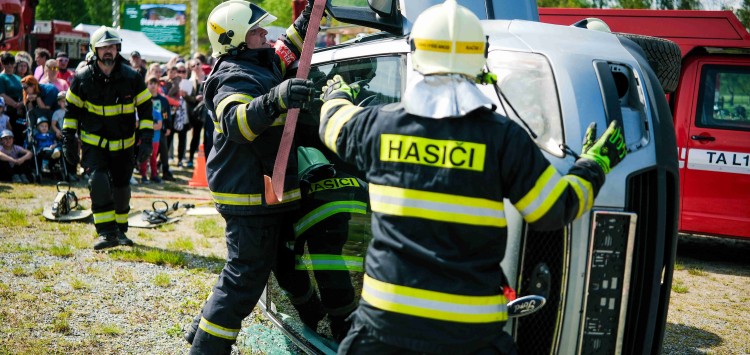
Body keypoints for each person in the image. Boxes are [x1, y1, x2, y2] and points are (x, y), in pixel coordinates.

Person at [317, 1, 628, 353]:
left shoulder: (376, 126)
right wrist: (595, 164)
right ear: (481, 59)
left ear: (416, 53)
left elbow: (332, 123)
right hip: (470, 333)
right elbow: (553, 210)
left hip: (385, 327)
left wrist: (338, 93)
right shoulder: (502, 138)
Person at [184, 1, 318, 353]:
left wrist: (313, 11)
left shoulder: (262, 61)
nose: (267, 35)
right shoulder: (233, 74)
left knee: (268, 266)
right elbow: (237, 124)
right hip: (248, 196)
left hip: (265, 193)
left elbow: (290, 45)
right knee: (244, 279)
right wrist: (276, 99)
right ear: (237, 38)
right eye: (258, 31)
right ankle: (206, 349)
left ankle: (315, 318)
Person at [62, 26, 153, 250]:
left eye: (112, 47)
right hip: (95, 145)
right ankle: (105, 233)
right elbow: (71, 111)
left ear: (118, 48)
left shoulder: (132, 77)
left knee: (122, 189)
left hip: (124, 145)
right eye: (103, 48)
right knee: (99, 182)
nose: (108, 52)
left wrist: (147, 139)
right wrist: (68, 139)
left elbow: (147, 109)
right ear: (95, 50)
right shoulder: (82, 78)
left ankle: (120, 231)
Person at [293, 146, 369, 342]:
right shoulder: (358, 182)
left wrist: (307, 305)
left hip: (336, 285)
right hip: (371, 269)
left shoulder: (300, 198)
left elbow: (288, 260)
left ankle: (343, 334)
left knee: (342, 315)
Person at [139, 76, 163, 184]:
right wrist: (152, 124)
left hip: (155, 139)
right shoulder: (142, 112)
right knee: (144, 157)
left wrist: (148, 125)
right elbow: (139, 124)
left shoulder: (157, 113)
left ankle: (154, 174)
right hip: (144, 138)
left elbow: (159, 125)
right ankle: (143, 175)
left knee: (153, 158)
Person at [0, 53, 25, 143]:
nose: (10, 65)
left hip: (21, 108)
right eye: (7, 63)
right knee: (10, 133)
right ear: (2, 64)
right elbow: (2, 95)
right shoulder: (1, 78)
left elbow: (24, 92)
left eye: (11, 62)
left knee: (20, 133)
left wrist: (21, 104)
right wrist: (15, 105)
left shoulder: (18, 78)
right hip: (8, 110)